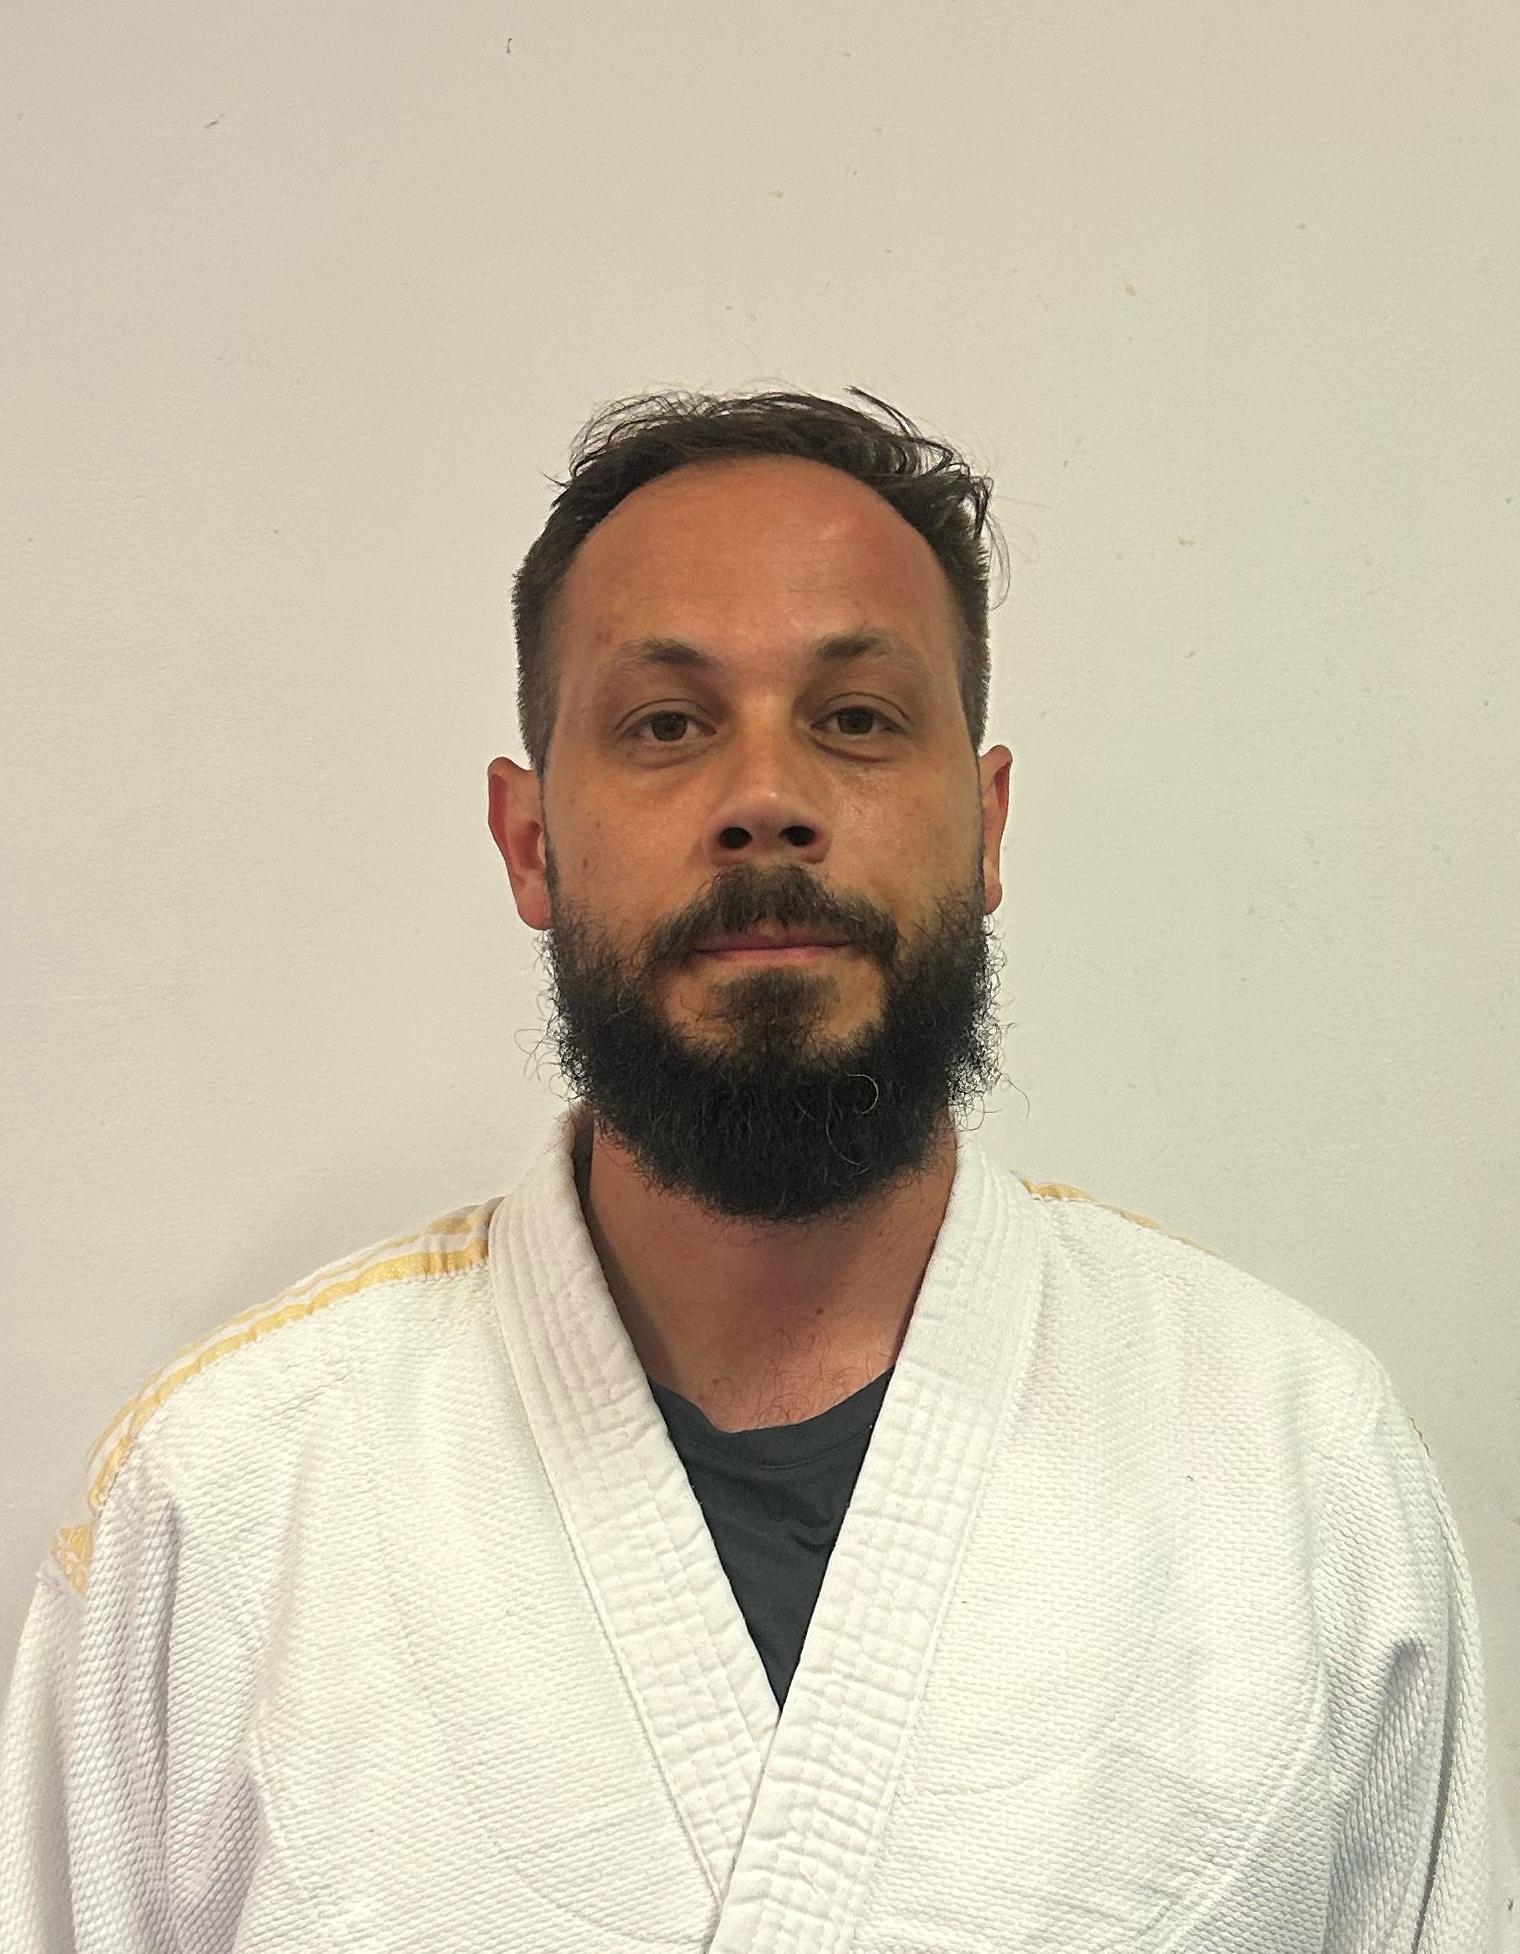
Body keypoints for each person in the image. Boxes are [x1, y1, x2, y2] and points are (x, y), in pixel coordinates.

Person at [0, 388, 1514, 1952]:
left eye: (857, 719)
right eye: (667, 724)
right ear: (530, 840)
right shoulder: (229, 1502)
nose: (766, 800)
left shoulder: (1294, 1470)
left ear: (988, 823)